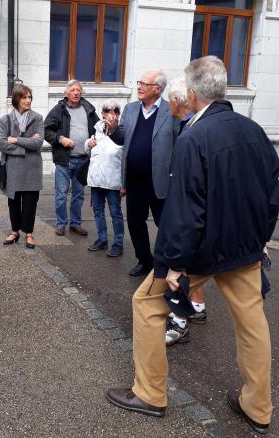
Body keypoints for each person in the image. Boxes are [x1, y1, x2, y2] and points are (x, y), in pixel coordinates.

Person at [106, 56, 279, 435]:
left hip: (203, 249)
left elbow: (185, 209)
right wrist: (262, 240)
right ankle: (258, 407)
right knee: (252, 323)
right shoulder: (254, 130)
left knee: (146, 304)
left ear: (193, 93)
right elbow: (272, 194)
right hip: (244, 247)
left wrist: (173, 263)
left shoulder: (193, 137)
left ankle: (150, 393)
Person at [108, 71, 179, 276]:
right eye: (139, 82)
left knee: (164, 224)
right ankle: (144, 260)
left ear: (157, 89)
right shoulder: (130, 109)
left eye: (144, 84)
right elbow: (122, 138)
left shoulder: (171, 111)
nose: (138, 86)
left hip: (160, 180)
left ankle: (169, 263)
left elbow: (179, 144)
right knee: (135, 222)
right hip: (134, 180)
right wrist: (114, 129)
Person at [165, 77, 206, 346]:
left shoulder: (192, 131)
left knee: (180, 268)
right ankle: (198, 307)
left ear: (178, 101)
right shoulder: (188, 125)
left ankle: (179, 322)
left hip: (191, 213)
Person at [44, 80, 100, 237]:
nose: (76, 93)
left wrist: (96, 139)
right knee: (61, 194)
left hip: (83, 160)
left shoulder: (88, 109)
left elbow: (99, 129)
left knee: (78, 195)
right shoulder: (59, 110)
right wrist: (60, 139)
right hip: (64, 160)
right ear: (66, 93)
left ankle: (75, 224)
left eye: (78, 90)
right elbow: (46, 130)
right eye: (73, 90)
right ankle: (61, 224)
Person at [0, 84, 44, 249]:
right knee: (14, 201)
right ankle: (15, 231)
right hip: (13, 167)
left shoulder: (37, 118)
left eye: (30, 97)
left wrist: (16, 139)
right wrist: (27, 144)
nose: (28, 100)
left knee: (30, 202)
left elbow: (38, 143)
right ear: (16, 99)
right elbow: (2, 143)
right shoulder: (5, 120)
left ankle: (29, 233)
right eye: (24, 97)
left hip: (32, 168)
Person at [84, 100, 124, 257]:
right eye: (108, 110)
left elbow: (126, 158)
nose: (111, 113)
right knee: (98, 211)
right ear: (102, 114)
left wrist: (124, 184)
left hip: (113, 181)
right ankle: (102, 239)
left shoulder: (122, 131)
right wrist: (88, 144)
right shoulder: (97, 130)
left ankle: (118, 243)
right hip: (96, 179)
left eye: (115, 110)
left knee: (115, 213)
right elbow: (89, 150)